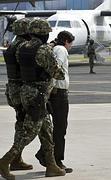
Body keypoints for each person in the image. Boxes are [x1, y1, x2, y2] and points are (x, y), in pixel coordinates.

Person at [0, 18, 66, 180]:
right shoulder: (42, 49)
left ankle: (51, 165)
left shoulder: (20, 47)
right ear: (43, 34)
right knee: (30, 131)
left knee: (46, 129)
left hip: (24, 91)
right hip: (37, 94)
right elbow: (58, 73)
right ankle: (6, 160)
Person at [35, 30, 75, 173]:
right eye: (71, 44)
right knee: (60, 128)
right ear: (66, 41)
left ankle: (46, 155)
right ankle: (55, 160)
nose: (71, 47)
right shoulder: (61, 50)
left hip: (55, 93)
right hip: (58, 94)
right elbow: (55, 68)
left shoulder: (55, 48)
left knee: (55, 128)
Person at [3, 18, 33, 171]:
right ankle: (11, 158)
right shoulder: (22, 47)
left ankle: (17, 159)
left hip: (13, 88)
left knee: (20, 123)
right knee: (27, 126)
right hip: (22, 89)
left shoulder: (11, 46)